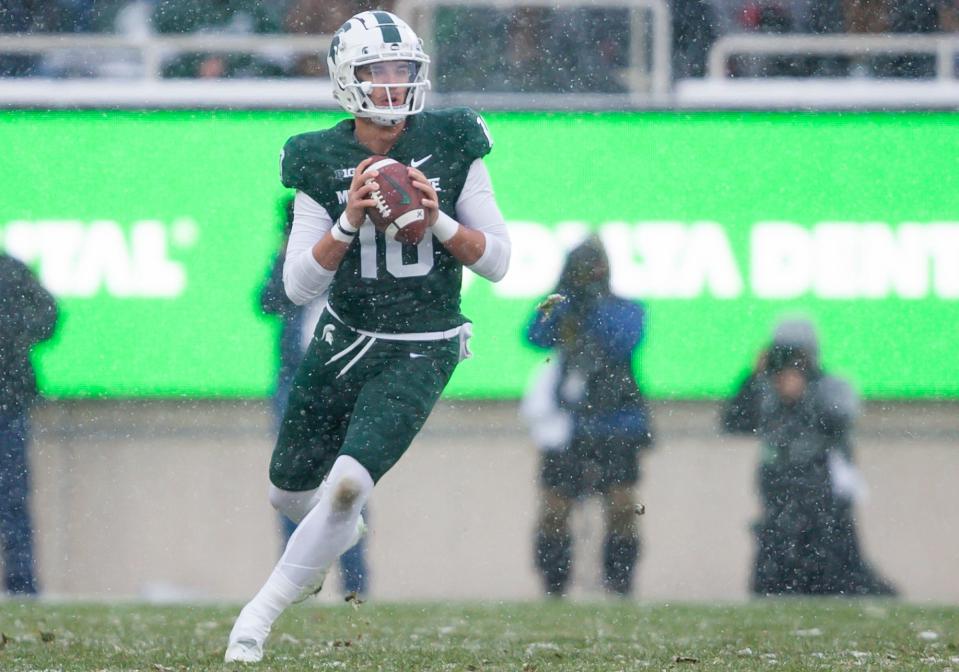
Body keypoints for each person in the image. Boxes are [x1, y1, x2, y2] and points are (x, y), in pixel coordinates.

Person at [225, 10, 511, 662]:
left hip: (424, 341)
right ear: (346, 80)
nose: (392, 83)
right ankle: (332, 540)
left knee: (350, 484)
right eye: (377, 71)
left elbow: (496, 260)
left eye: (402, 70)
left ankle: (257, 617)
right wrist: (348, 219)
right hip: (343, 336)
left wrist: (436, 221)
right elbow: (296, 286)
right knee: (288, 492)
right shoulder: (318, 158)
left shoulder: (454, 139)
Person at [722, 318, 897, 596]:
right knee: (772, 578)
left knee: (836, 574)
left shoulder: (830, 386)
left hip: (823, 497)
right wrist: (752, 377)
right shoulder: (765, 389)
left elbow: (839, 419)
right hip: (778, 495)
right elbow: (732, 422)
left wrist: (805, 393)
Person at [521, 236, 652, 598]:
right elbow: (534, 335)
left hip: (615, 423)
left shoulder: (625, 309)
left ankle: (620, 581)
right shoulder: (564, 306)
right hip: (570, 427)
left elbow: (621, 339)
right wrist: (562, 298)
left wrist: (591, 304)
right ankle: (554, 583)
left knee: (623, 506)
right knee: (554, 509)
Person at [259, 196, 368, 597]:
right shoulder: (290, 258)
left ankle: (354, 585)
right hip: (296, 381)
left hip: (342, 379)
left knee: (349, 483)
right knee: (293, 483)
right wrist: (289, 253)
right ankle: (296, 582)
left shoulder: (353, 254)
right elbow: (268, 300)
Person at [0, 253, 58, 596]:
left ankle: (22, 586)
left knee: (13, 498)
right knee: (13, 497)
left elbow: (47, 318)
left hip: (8, 401)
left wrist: (11, 332)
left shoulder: (9, 270)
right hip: (10, 398)